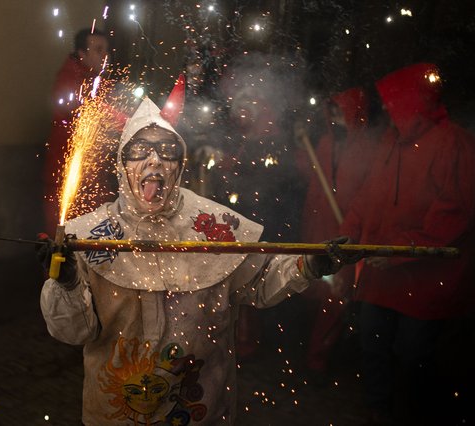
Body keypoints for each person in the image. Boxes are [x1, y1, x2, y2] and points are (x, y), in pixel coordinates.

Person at [36, 87, 348, 425]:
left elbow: (259, 282)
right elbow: (73, 333)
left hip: (199, 409)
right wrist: (65, 282)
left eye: (167, 151)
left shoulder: (212, 224)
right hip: (117, 413)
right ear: (122, 164)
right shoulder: (90, 236)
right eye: (140, 150)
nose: (154, 160)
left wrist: (309, 265)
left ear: (180, 164)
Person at [339, 63, 475, 425]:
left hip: (426, 279)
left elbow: (455, 214)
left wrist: (400, 251)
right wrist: (350, 231)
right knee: (372, 342)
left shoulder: (455, 143)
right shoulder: (391, 140)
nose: (385, 108)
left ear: (411, 101)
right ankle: (378, 410)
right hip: (381, 273)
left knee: (413, 354)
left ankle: (412, 415)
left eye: (393, 100)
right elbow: (369, 195)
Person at [294, 87, 379, 384]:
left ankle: (317, 361)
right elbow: (310, 174)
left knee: (336, 297)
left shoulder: (368, 148)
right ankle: (309, 350)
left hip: (345, 231)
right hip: (318, 228)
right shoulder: (326, 142)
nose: (334, 117)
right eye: (331, 111)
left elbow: (368, 194)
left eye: (339, 110)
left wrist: (352, 229)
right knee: (315, 291)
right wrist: (302, 148)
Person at [42, 28, 116, 235]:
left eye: (107, 50)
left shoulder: (98, 80)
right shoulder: (69, 78)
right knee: (62, 237)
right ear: (82, 53)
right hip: (65, 175)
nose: (105, 56)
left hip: (92, 177)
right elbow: (82, 108)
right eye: (99, 50)